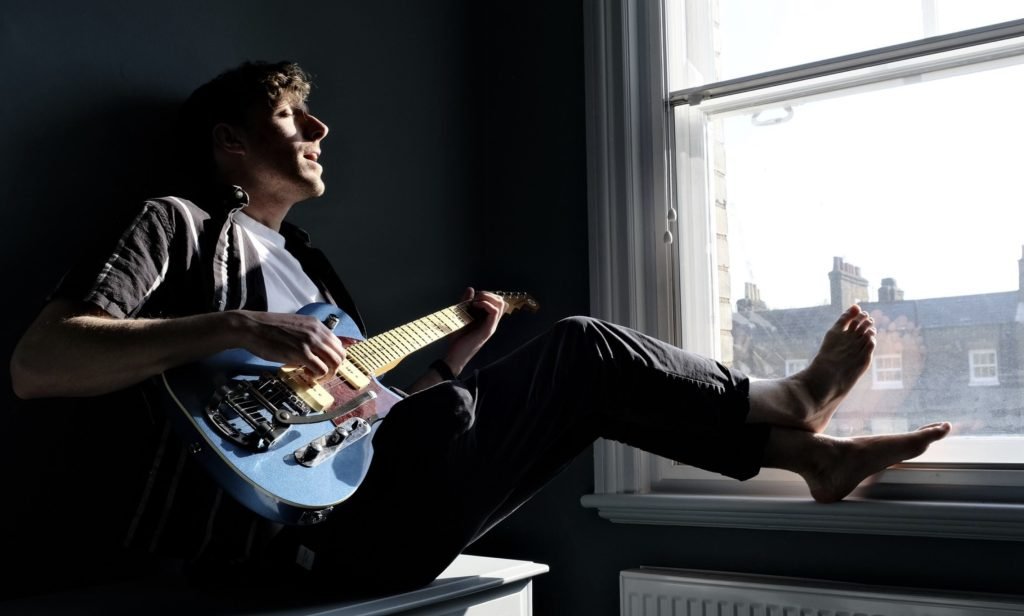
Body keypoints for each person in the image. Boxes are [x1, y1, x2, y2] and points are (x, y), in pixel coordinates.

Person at [9, 60, 951, 599]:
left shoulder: (317, 273)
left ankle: (809, 459)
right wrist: (231, 323)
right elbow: (41, 363)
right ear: (228, 141)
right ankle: (788, 403)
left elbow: (347, 436)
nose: (323, 127)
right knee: (585, 346)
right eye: (294, 114)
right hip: (266, 554)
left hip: (369, 514)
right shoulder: (175, 224)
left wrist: (453, 366)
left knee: (579, 389)